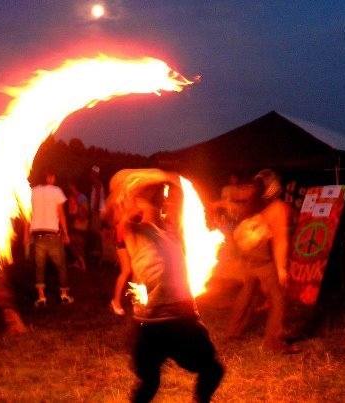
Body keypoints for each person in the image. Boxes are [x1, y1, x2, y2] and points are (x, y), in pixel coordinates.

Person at [105, 168, 224, 403]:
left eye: (164, 196)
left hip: (183, 317)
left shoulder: (168, 229)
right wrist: (156, 178)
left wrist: (166, 183)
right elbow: (110, 211)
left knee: (212, 369)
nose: (165, 199)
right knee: (150, 382)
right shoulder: (133, 228)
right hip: (152, 323)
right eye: (159, 196)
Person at [226, 169, 300, 354]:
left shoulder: (254, 206)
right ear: (275, 188)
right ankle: (273, 342)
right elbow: (280, 240)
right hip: (262, 259)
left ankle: (233, 332)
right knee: (278, 297)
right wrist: (281, 268)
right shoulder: (277, 208)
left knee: (247, 291)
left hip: (249, 257)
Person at [25, 166, 74, 306]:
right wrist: (65, 232)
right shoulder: (56, 191)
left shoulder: (32, 192)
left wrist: (25, 235)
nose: (54, 179)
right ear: (48, 177)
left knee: (39, 267)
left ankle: (41, 298)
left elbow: (27, 215)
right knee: (61, 266)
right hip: (52, 234)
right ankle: (64, 295)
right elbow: (61, 214)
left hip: (37, 235)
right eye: (53, 176)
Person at [66, 180, 89, 272]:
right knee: (73, 243)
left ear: (74, 186)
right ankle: (78, 262)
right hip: (75, 223)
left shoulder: (81, 197)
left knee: (77, 244)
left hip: (80, 224)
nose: (69, 187)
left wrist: (80, 217)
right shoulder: (73, 197)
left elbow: (85, 211)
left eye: (70, 185)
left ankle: (82, 264)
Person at [89, 165, 106, 263]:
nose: (90, 175)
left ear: (95, 174)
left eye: (91, 173)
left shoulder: (97, 184)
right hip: (98, 210)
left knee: (96, 232)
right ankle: (97, 252)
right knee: (95, 231)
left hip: (98, 211)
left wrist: (95, 209)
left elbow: (98, 196)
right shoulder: (97, 184)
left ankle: (99, 252)